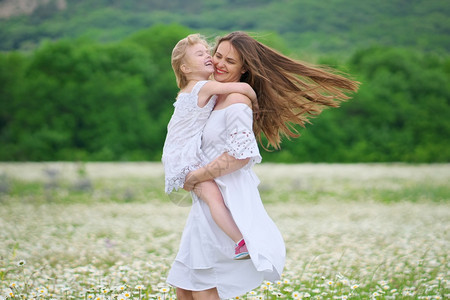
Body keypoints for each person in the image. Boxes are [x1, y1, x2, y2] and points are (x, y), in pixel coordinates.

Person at [166, 31, 359, 299]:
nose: (219, 63)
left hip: (222, 204)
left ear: (244, 67)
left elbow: (240, 155)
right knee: (185, 289)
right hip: (206, 207)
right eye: (217, 55)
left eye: (230, 61)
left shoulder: (235, 102)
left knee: (204, 290)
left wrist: (196, 175)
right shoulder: (213, 98)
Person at [162, 33, 259, 260]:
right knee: (214, 198)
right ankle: (240, 241)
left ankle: (237, 241)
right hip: (184, 158)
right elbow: (243, 89)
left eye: (207, 51)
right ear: (185, 68)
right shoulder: (203, 87)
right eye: (200, 54)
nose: (208, 57)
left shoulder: (189, 89)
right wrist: (253, 98)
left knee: (209, 198)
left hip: (177, 156)